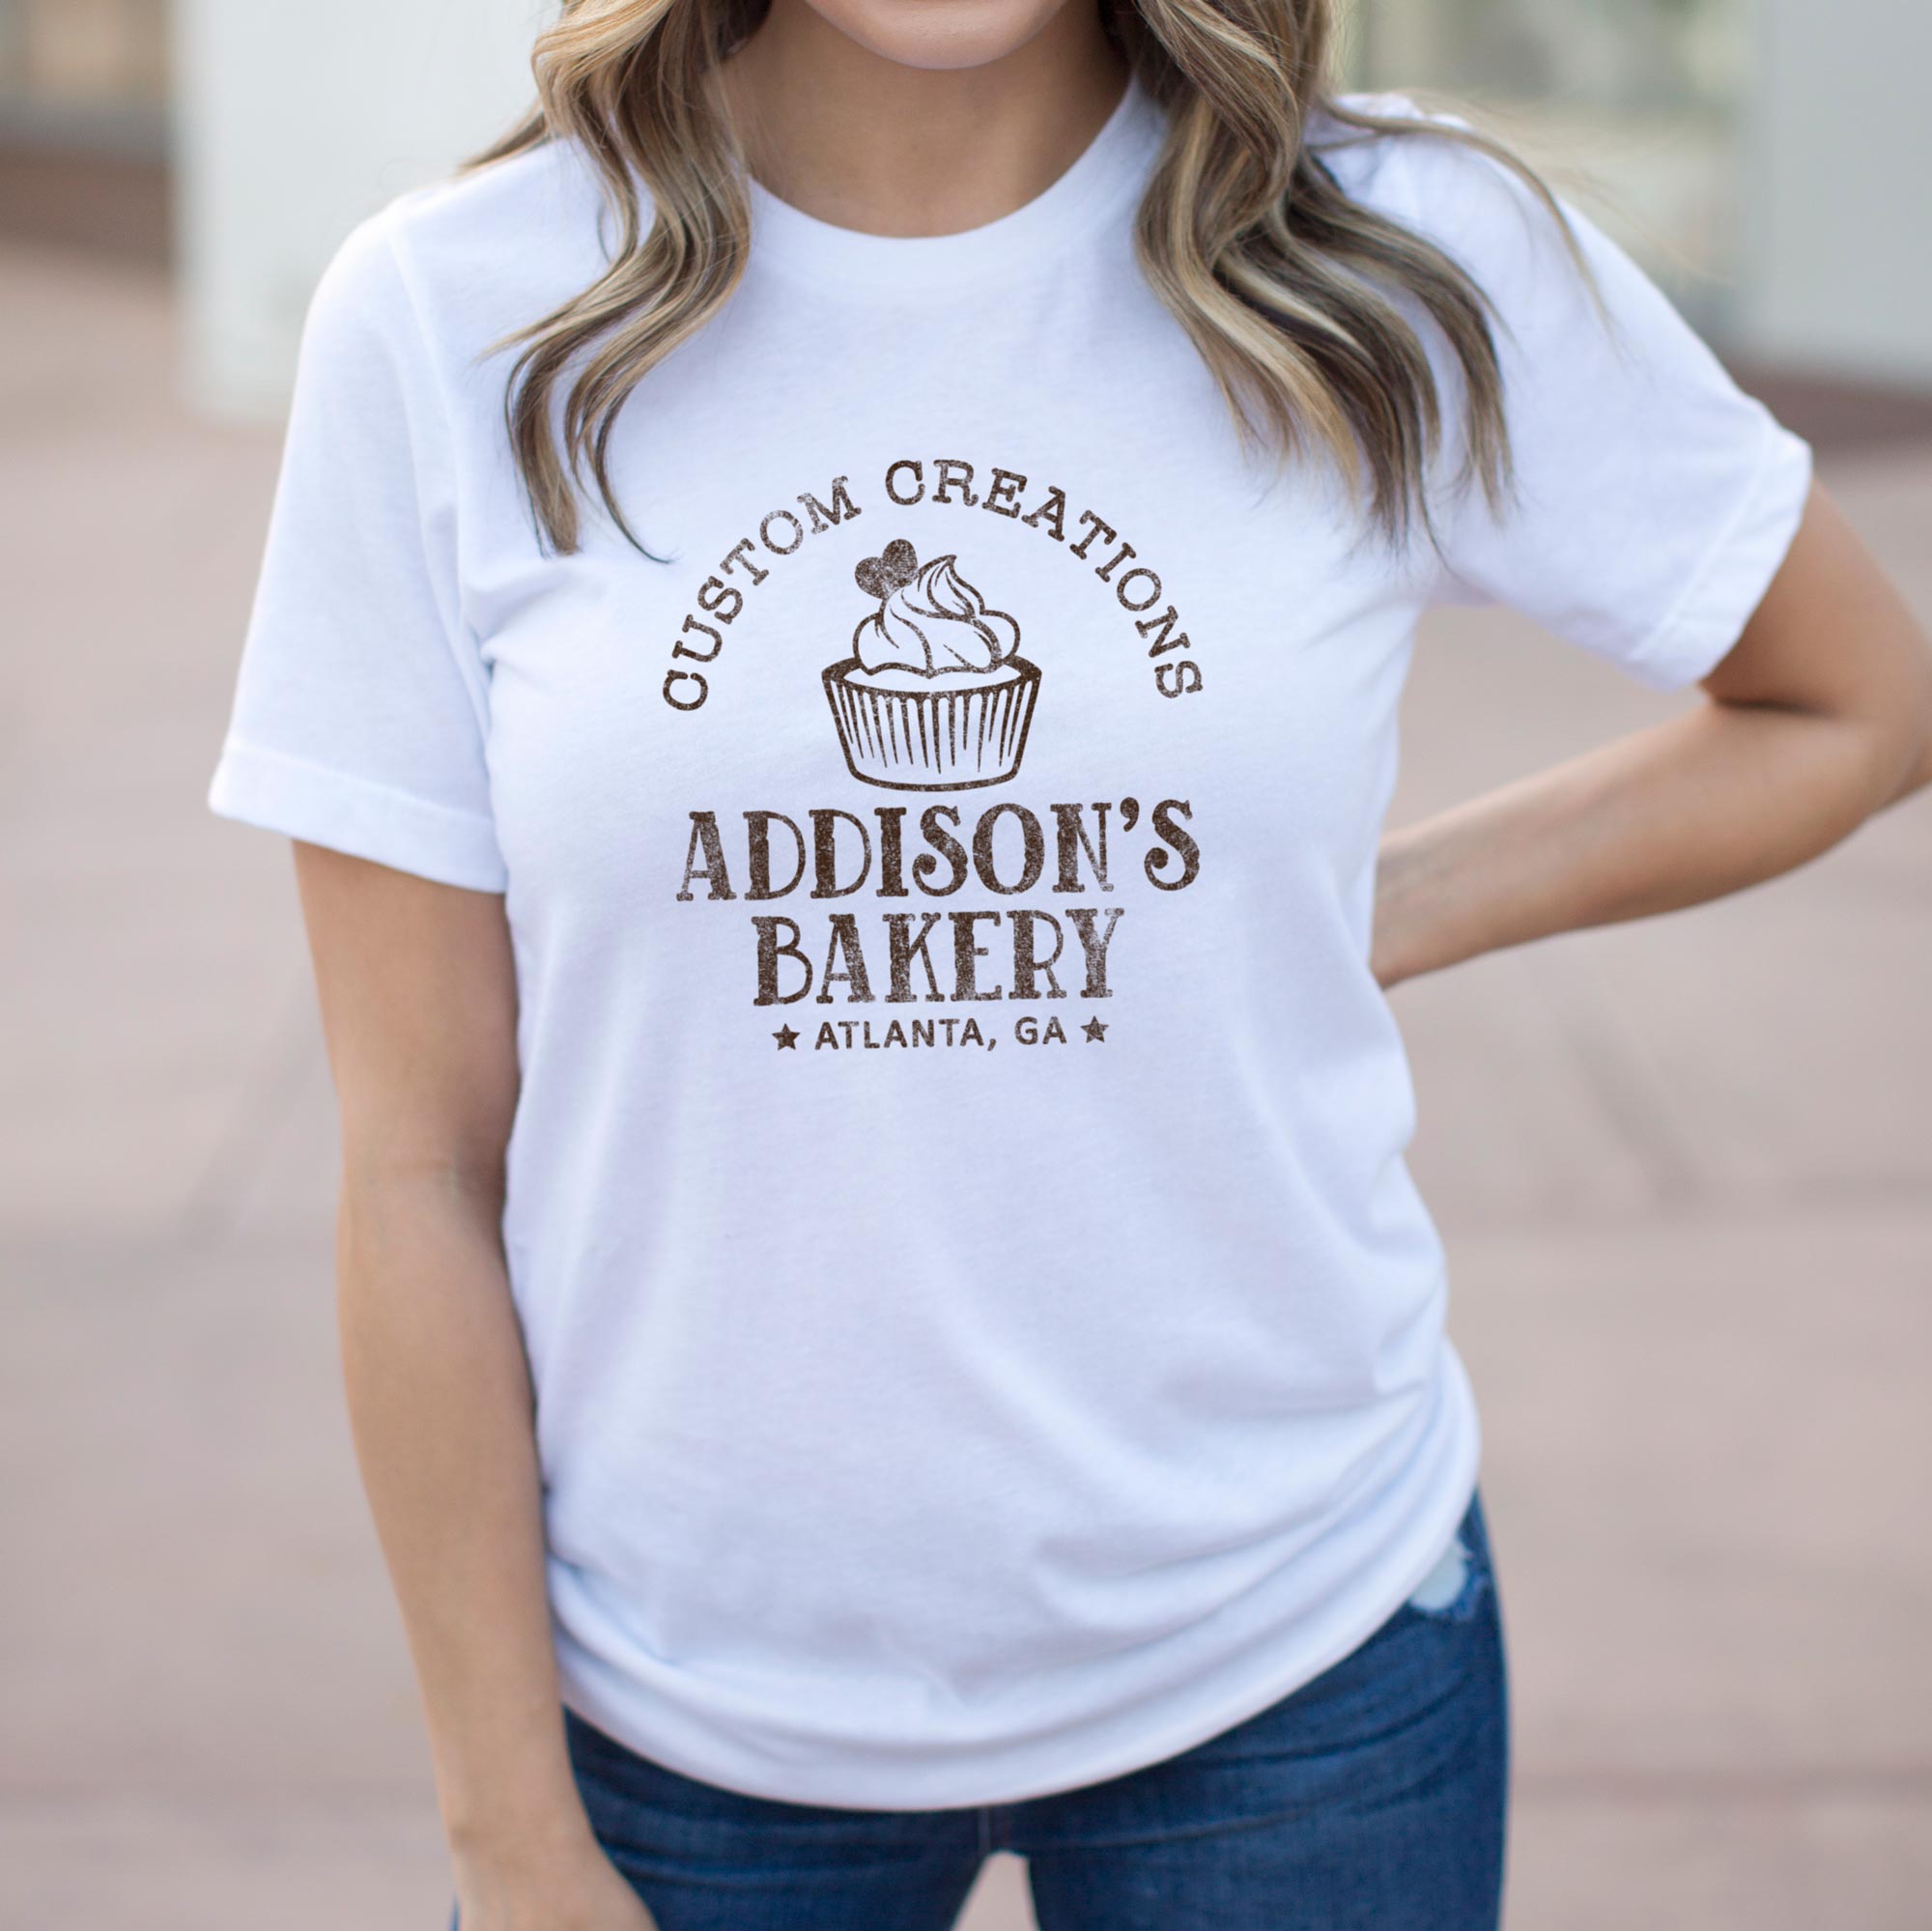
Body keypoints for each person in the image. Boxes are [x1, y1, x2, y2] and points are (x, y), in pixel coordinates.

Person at [206, 0, 1932, 1924]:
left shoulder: (1389, 246)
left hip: (1298, 1665)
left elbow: (1851, 701)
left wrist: (1379, 909)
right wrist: (506, 1831)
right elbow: (417, 1160)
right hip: (673, 1728)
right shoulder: (455, 315)